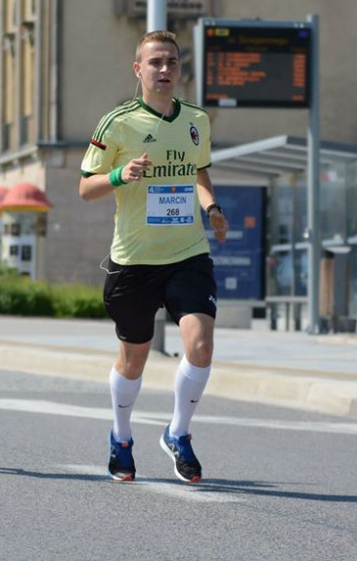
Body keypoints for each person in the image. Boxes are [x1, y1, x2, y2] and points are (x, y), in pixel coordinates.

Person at [79, 30, 229, 484]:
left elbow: (198, 172)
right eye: (155, 63)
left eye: (172, 63)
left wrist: (212, 209)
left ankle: (178, 433)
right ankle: (121, 437)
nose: (164, 71)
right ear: (138, 69)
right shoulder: (116, 124)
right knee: (134, 359)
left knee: (200, 346)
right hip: (135, 260)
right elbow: (86, 188)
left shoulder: (197, 120)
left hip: (187, 252)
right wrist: (122, 174)